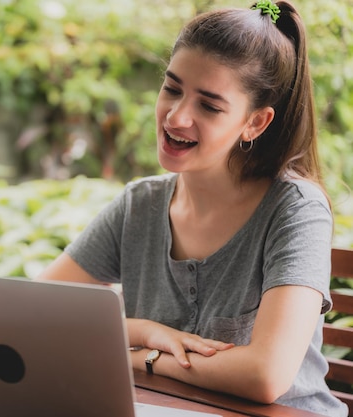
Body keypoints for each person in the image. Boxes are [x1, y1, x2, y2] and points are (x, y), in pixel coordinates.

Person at [36, 1, 348, 415]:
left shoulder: (295, 210)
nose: (177, 116)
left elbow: (266, 375)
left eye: (209, 105)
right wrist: (144, 331)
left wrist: (139, 357)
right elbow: (35, 316)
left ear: (255, 122)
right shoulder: (139, 205)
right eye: (172, 88)